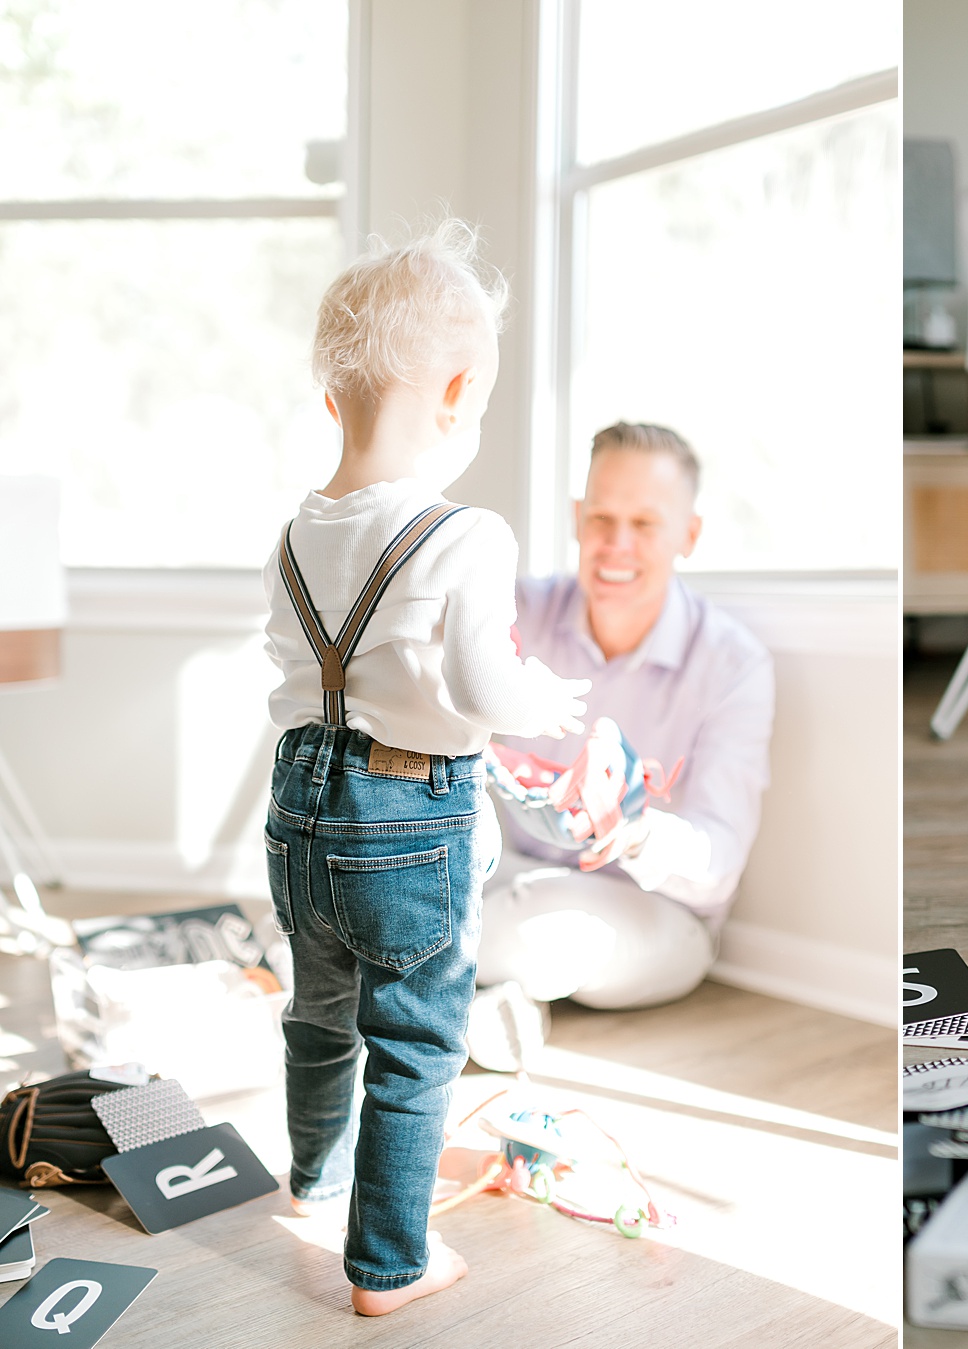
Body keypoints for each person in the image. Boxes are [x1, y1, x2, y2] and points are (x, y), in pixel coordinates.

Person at [261, 220, 589, 1315]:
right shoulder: (466, 532)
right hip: (409, 815)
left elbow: (296, 671)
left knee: (319, 1008)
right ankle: (391, 1261)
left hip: (298, 805)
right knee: (413, 1033)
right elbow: (484, 686)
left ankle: (311, 1177)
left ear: (332, 401)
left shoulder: (299, 532)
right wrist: (547, 699)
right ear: (454, 392)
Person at [469, 421, 774, 1028]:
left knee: (547, 923)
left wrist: (632, 831)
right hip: (510, 871)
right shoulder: (516, 610)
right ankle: (490, 1010)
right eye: (602, 519)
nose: (617, 545)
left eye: (645, 524)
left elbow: (719, 863)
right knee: (411, 861)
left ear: (689, 535)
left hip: (653, 911)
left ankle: (392, 975)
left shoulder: (735, 666)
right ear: (578, 518)